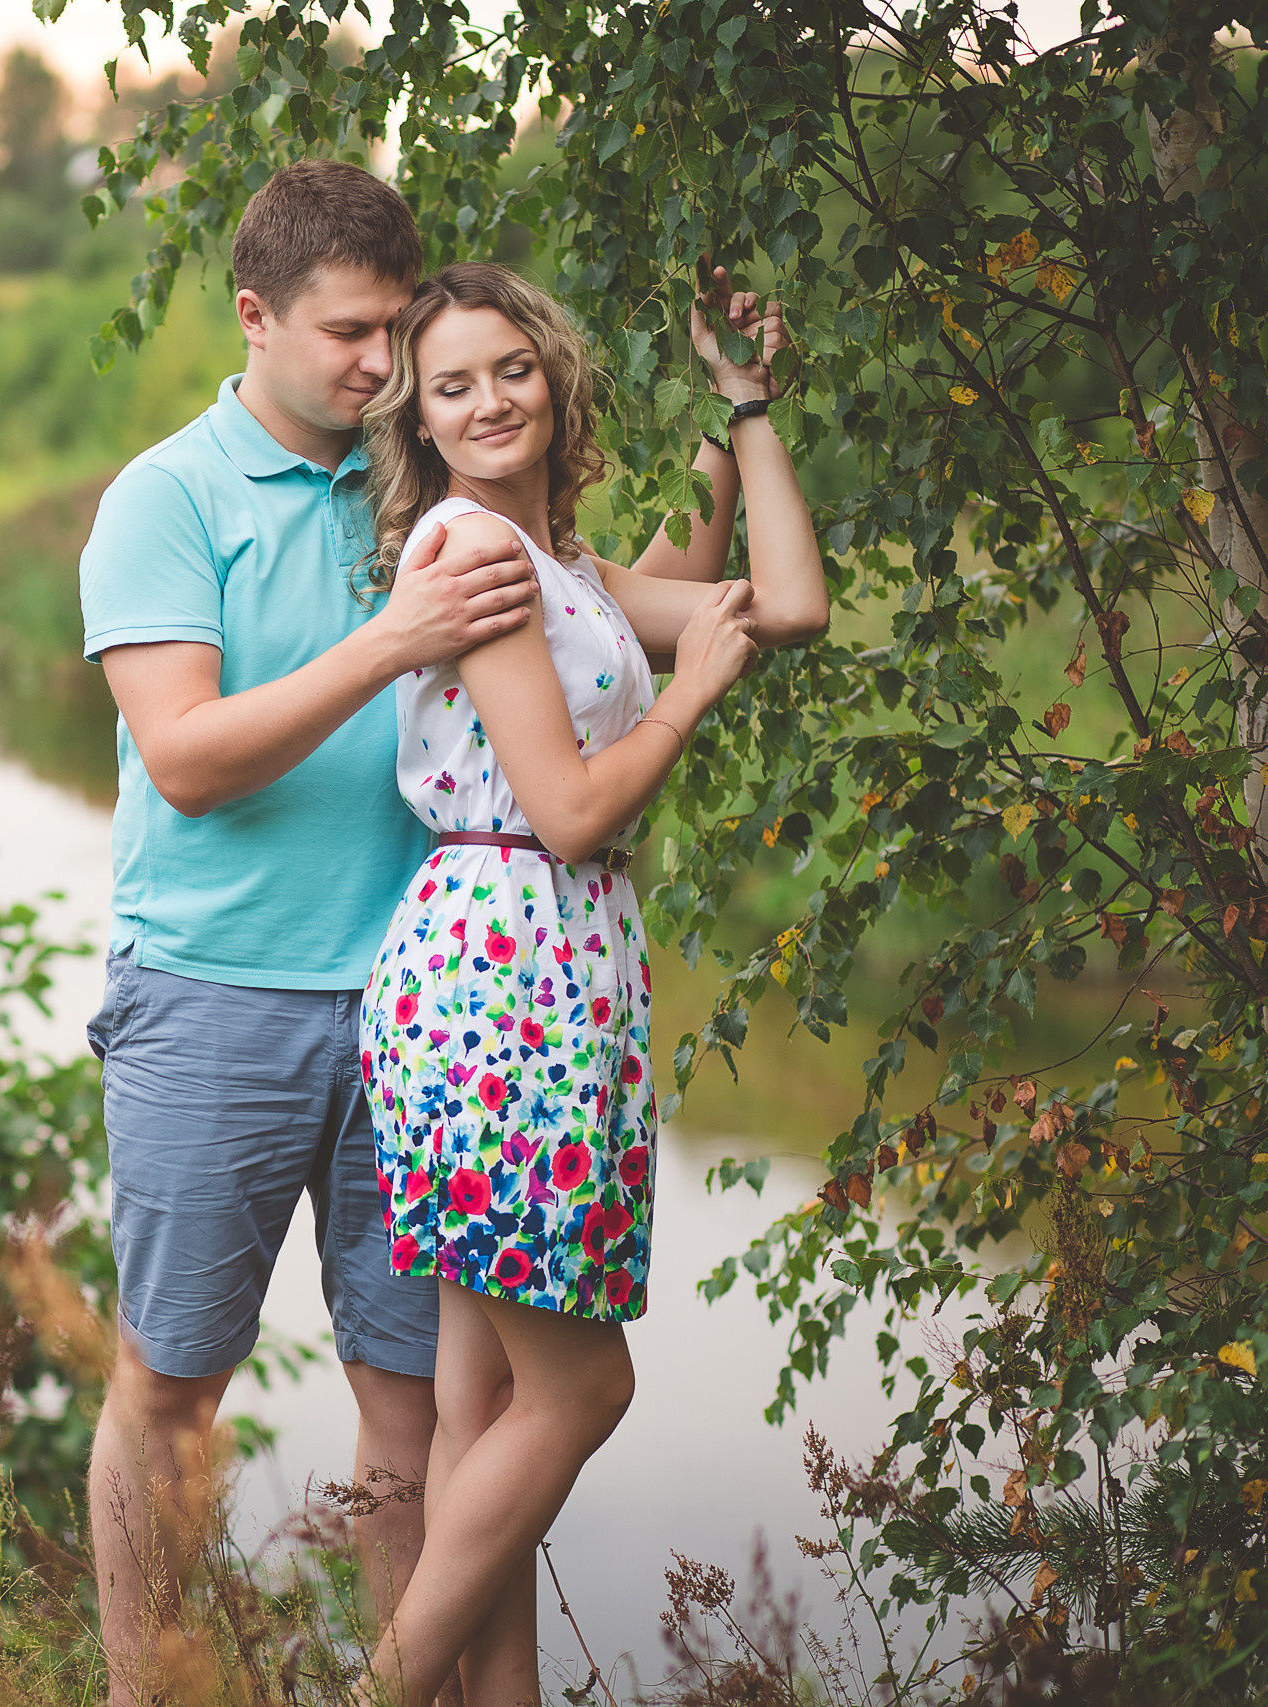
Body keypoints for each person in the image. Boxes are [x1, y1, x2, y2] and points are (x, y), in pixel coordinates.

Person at [77, 161, 546, 1705]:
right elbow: (192, 760)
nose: (381, 365)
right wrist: (392, 640)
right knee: (171, 1390)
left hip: (424, 1014)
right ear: (254, 316)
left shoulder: (420, 482)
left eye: (396, 331)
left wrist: (734, 452)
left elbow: (592, 618)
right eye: (349, 333)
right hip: (211, 1003)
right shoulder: (166, 498)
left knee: (416, 1406)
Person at [351, 259, 829, 1707]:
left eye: (513, 369)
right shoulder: (474, 557)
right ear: (420, 421)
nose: (490, 400)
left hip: (541, 986)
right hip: (504, 993)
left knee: (482, 1398)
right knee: (584, 1389)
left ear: (553, 380)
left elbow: (784, 603)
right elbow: (567, 809)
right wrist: (690, 698)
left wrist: (742, 409)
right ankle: (375, 1693)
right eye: (453, 385)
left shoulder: (549, 561)